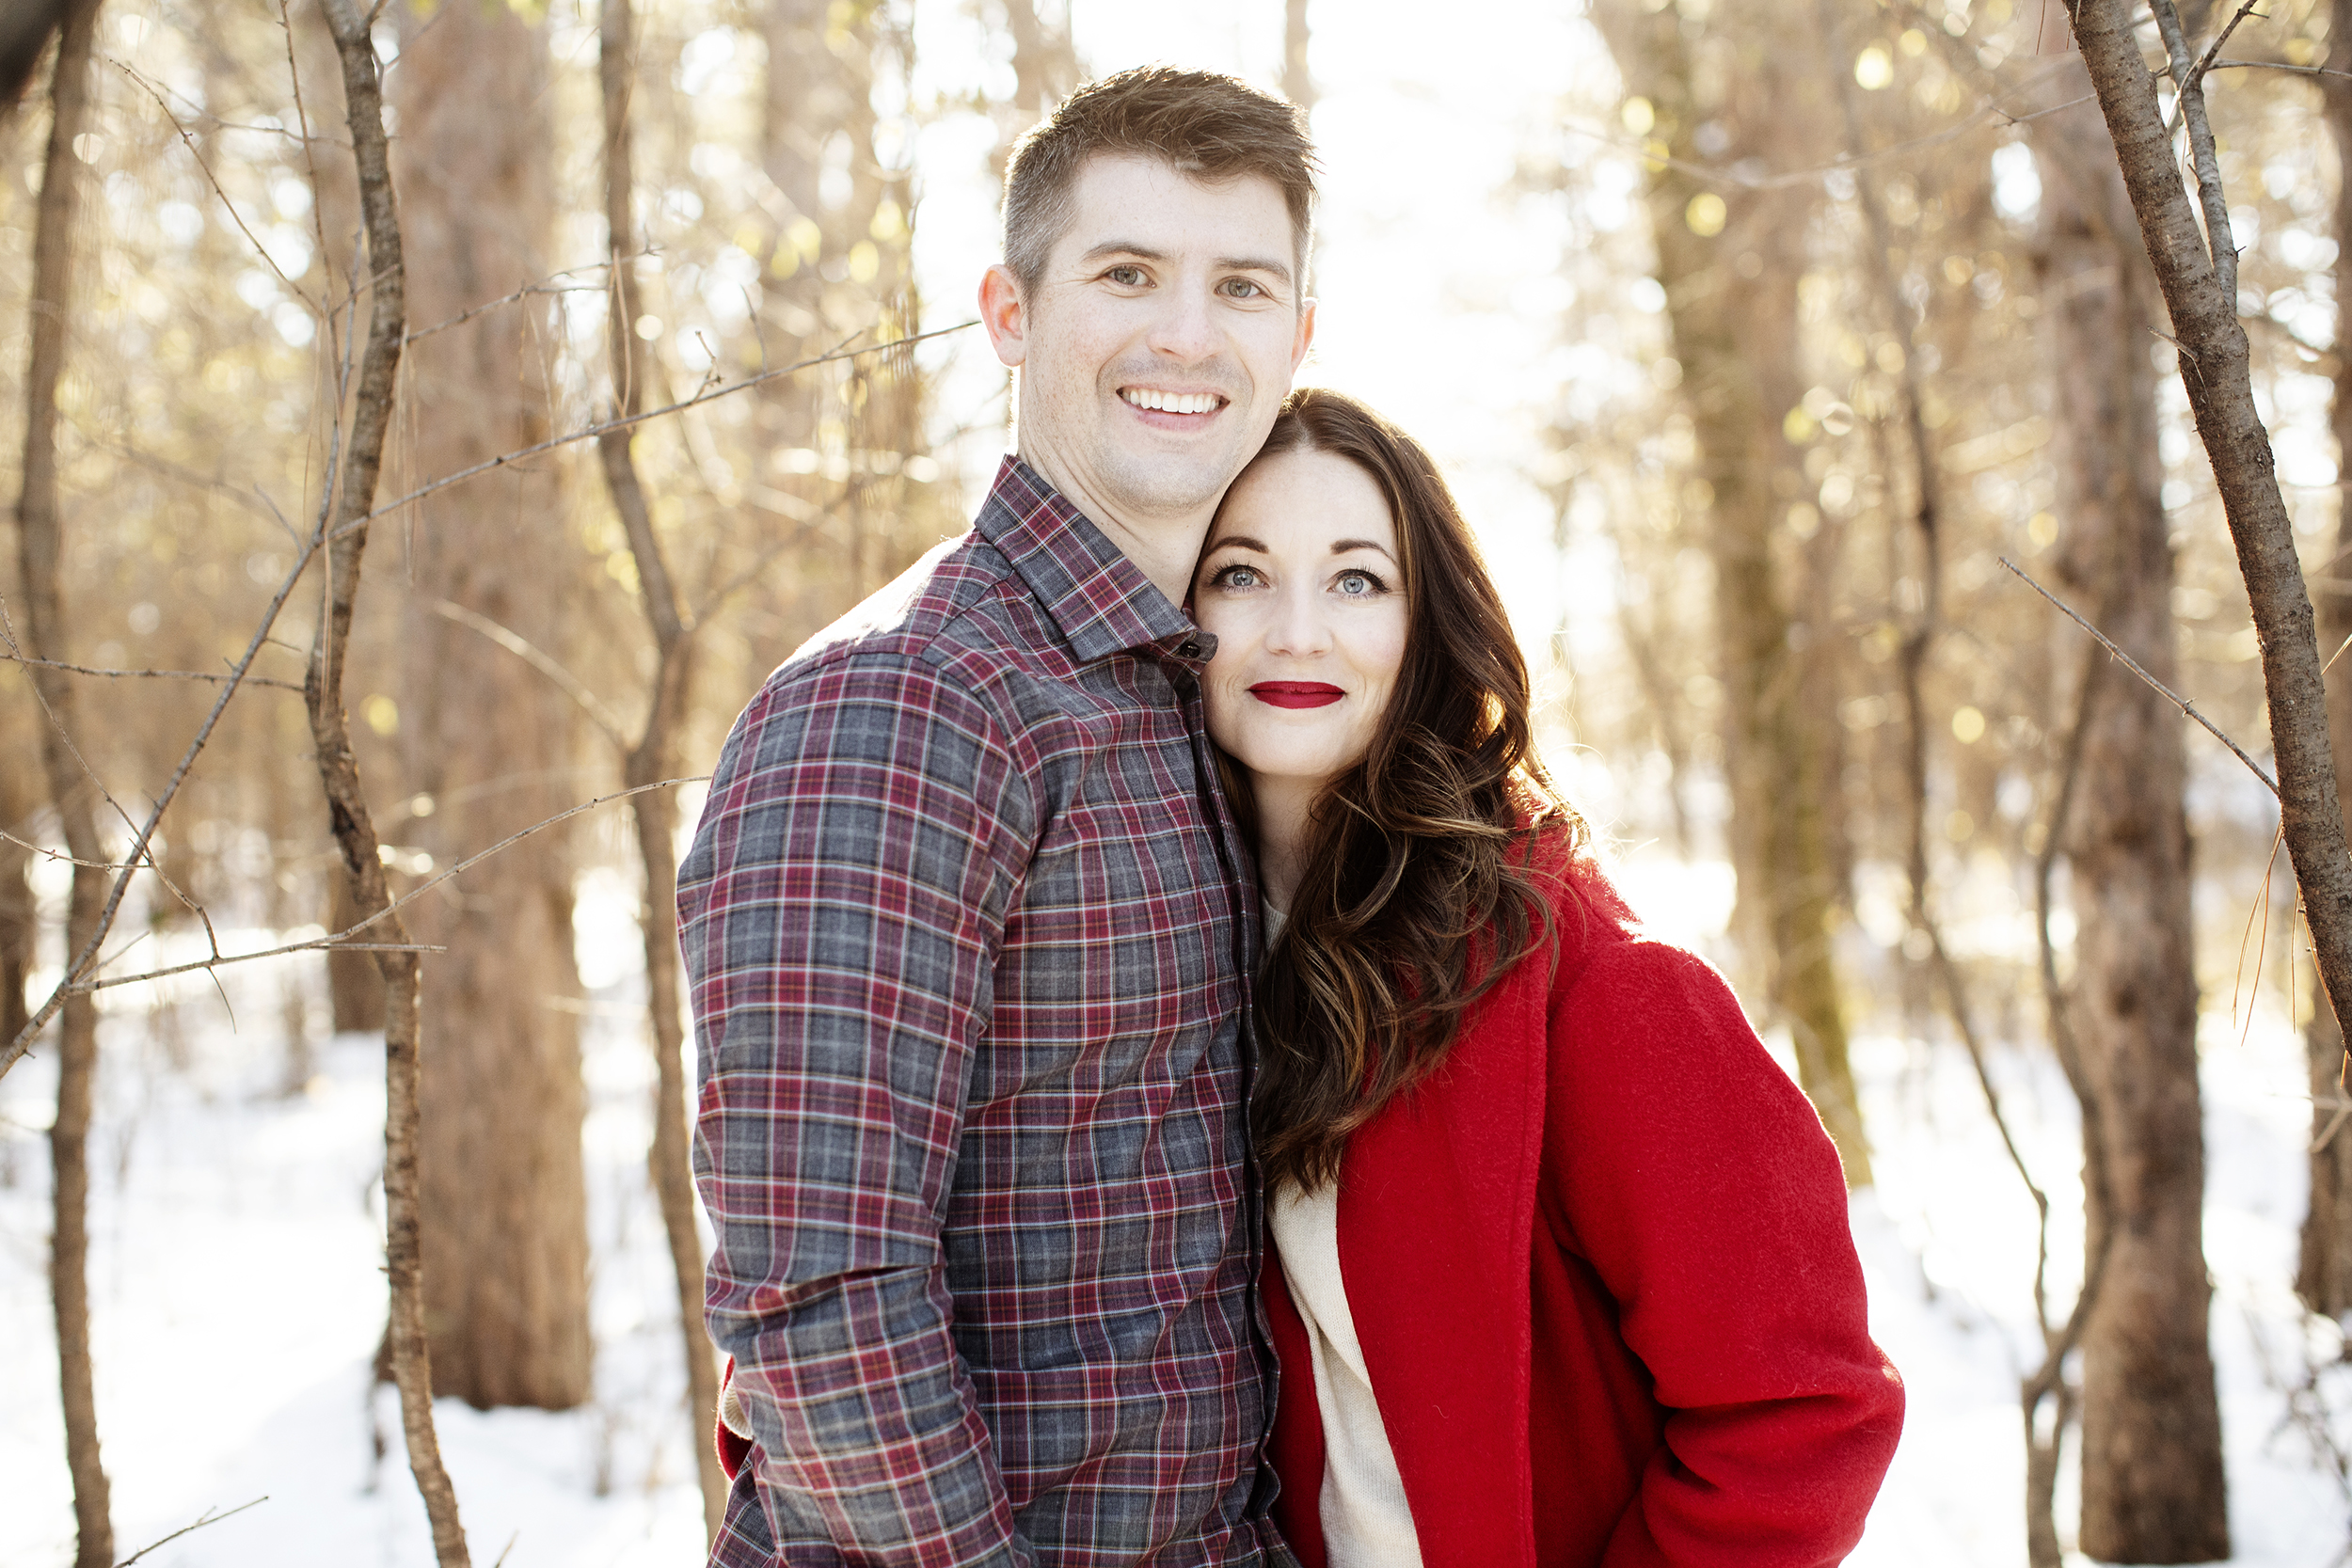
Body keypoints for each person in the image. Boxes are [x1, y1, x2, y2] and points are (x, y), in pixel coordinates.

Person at [676, 69, 1316, 1567]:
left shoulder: (1195, 699)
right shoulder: (907, 703)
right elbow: (817, 1299)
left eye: (1241, 285)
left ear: (1300, 335)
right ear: (1010, 311)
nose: (1188, 333)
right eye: (1127, 273)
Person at [1189, 388, 1904, 1568]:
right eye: (1241, 573)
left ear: (1430, 624)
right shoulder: (1161, 948)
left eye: (1358, 578)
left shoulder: (1587, 984)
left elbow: (1807, 1412)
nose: (1297, 629)